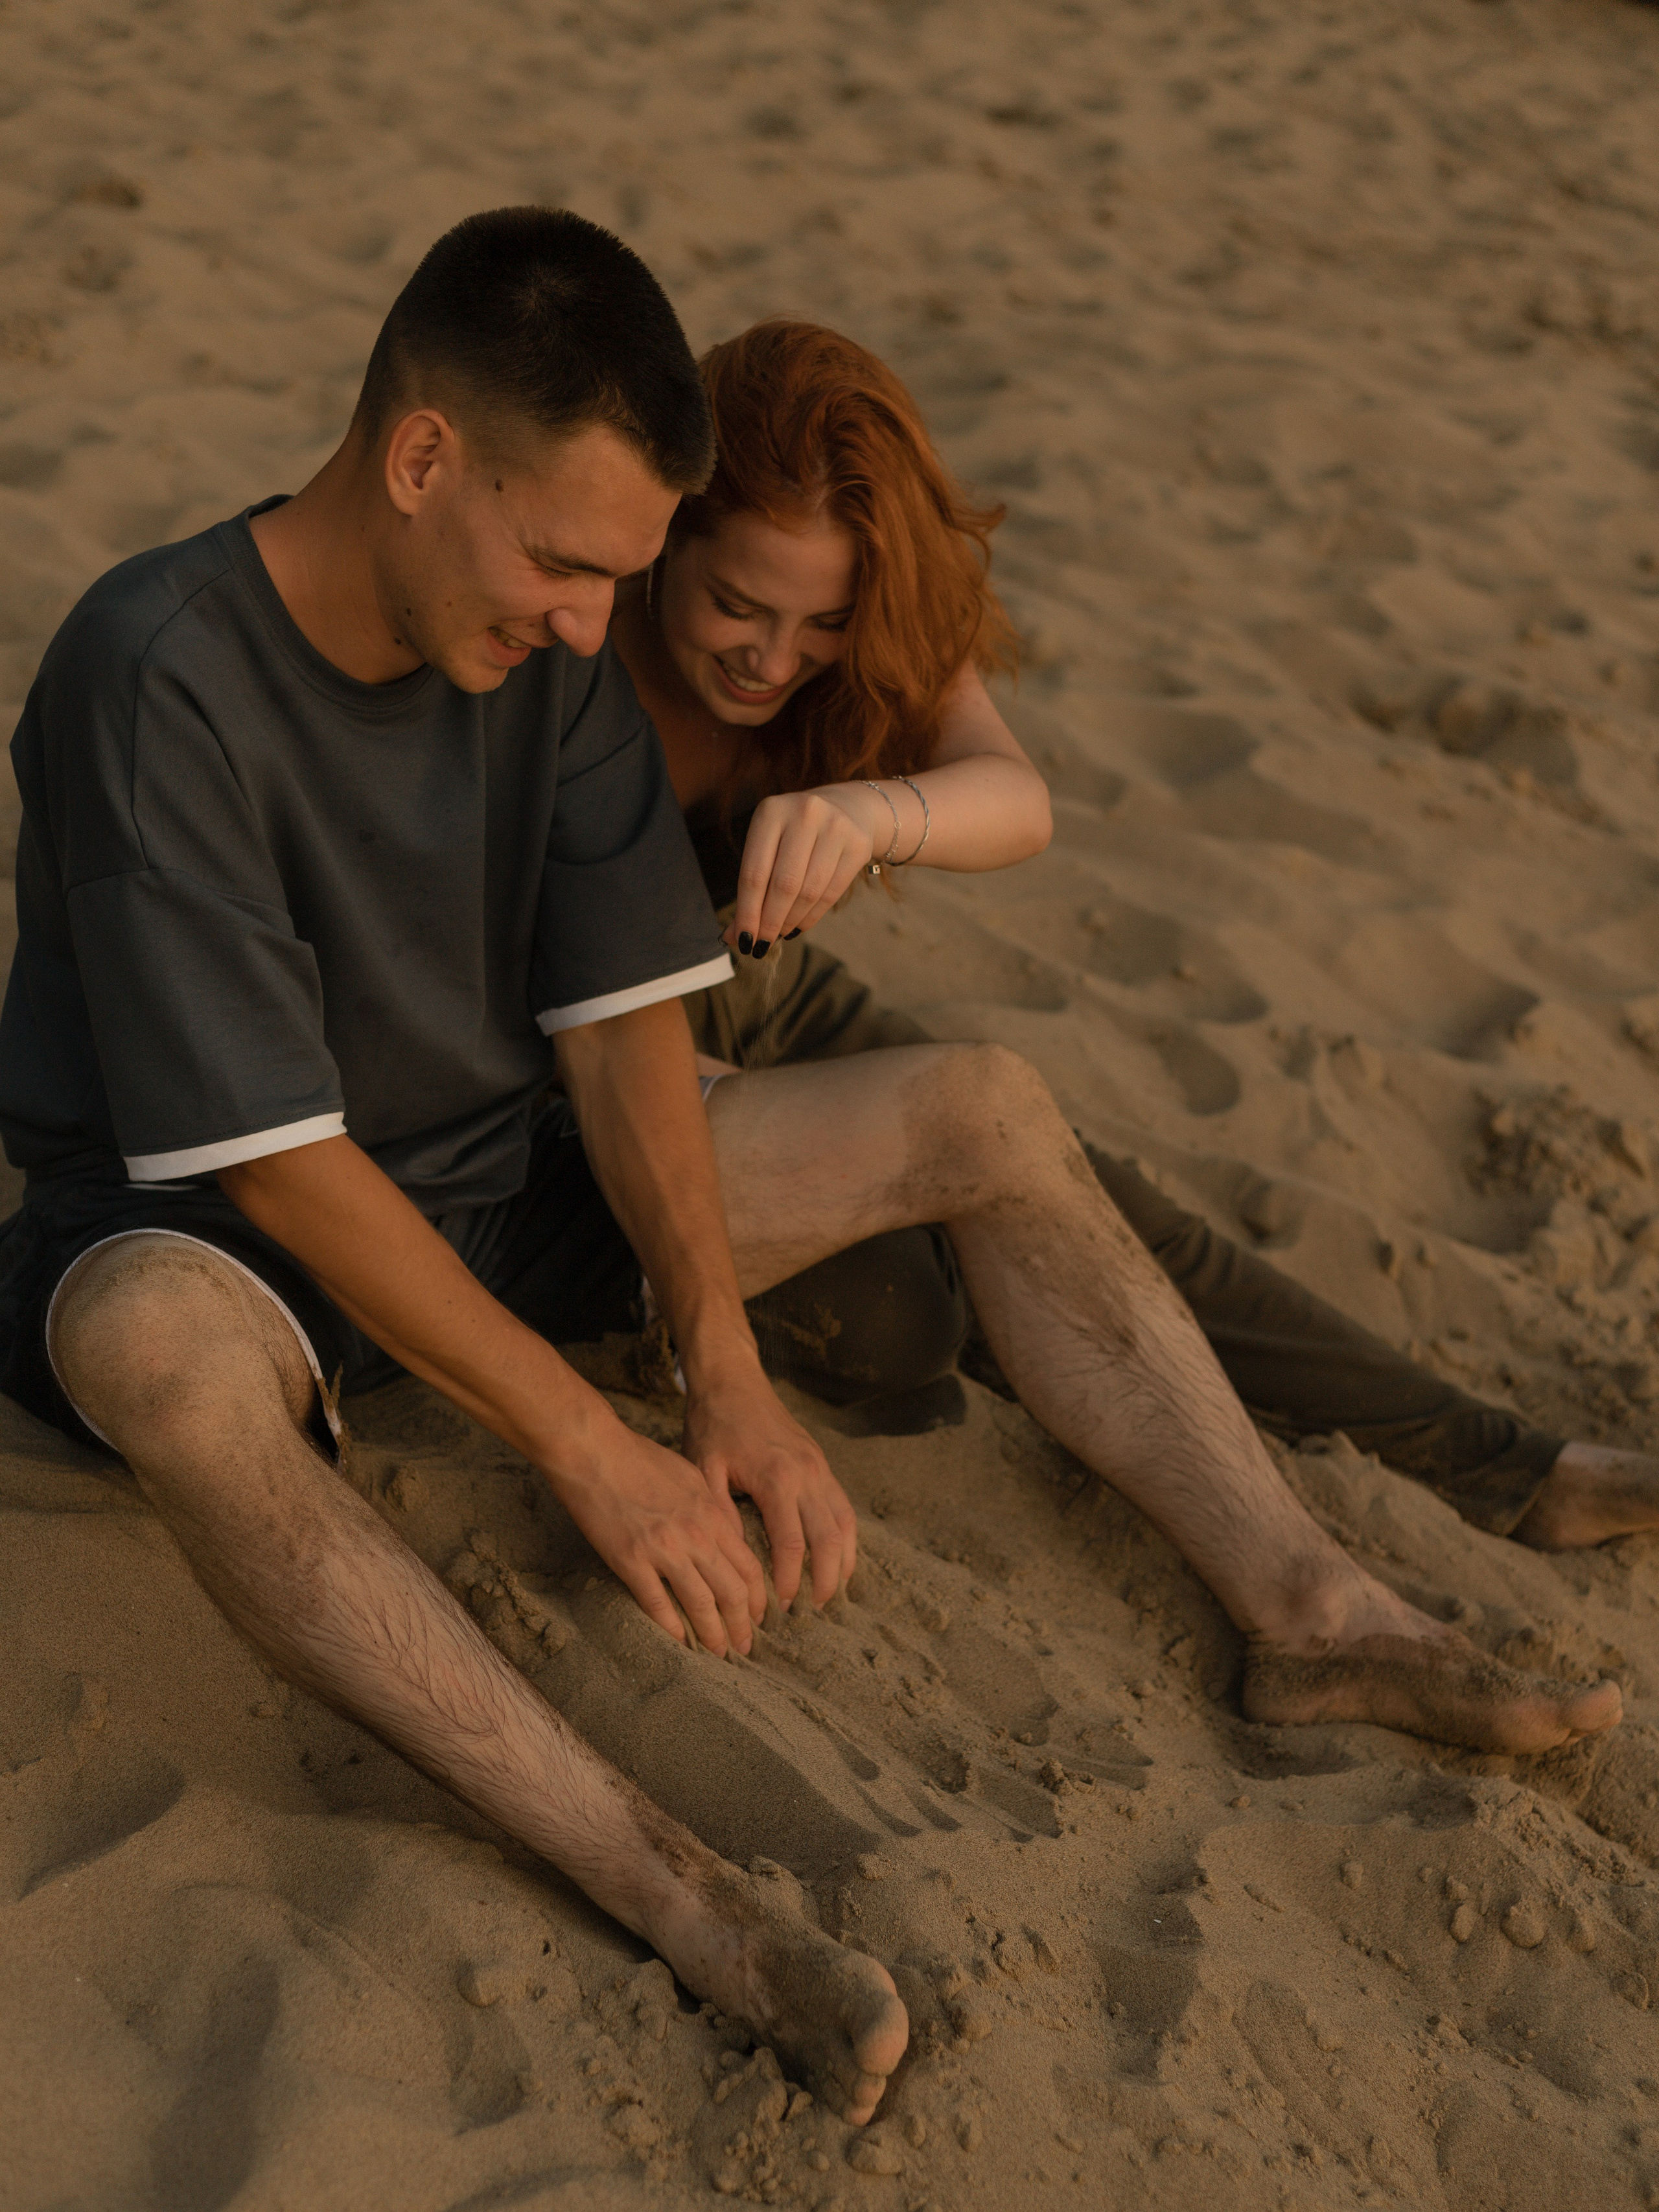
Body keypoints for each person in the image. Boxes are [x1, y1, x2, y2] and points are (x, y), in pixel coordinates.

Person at [0, 211, 1621, 2132]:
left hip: (509, 1190)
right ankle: (686, 1900)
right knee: (162, 1355)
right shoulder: (157, 662)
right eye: (563, 560)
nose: (597, 625)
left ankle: (1318, 1615)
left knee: (988, 1107)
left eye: (619, 574)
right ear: (422, 456)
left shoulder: (567, 645)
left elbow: (621, 1036)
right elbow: (278, 1167)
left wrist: (725, 1370)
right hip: (223, 1236)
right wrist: (592, 1444)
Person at [609, 316, 1659, 1555]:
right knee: (914, 1308)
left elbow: (1017, 799)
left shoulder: (867, 618)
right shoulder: (588, 623)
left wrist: (876, 809)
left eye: (821, 624)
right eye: (738, 605)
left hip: (763, 988)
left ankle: (1510, 1467)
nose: (775, 659)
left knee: (1111, 1203)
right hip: (632, 1044)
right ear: (669, 533)